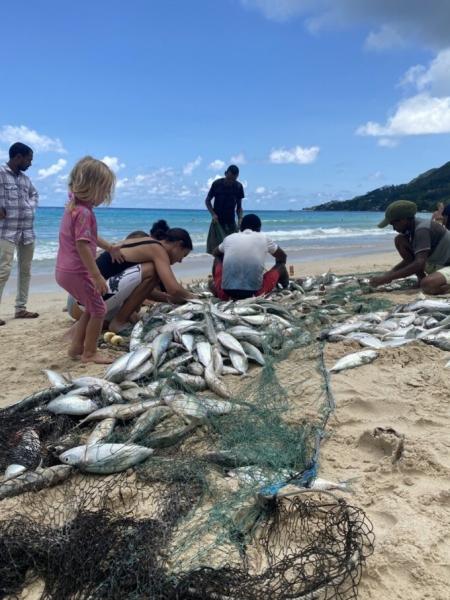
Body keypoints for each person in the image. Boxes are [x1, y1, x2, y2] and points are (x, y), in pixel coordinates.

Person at [55, 156, 123, 363]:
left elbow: (89, 237)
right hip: (77, 271)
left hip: (63, 271)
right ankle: (90, 352)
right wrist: (96, 275)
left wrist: (109, 247)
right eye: (104, 190)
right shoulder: (84, 213)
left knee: (90, 308)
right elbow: (82, 245)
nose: (106, 195)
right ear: (91, 187)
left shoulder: (73, 207)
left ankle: (76, 348)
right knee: (100, 310)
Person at [370, 200, 450, 295]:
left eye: (393, 224)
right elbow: (414, 259)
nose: (394, 228)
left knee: (428, 284)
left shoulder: (422, 229)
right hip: (435, 263)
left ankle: (430, 282)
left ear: (403, 220)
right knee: (399, 240)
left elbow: (419, 263)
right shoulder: (412, 229)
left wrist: (388, 278)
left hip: (446, 264)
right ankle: (421, 278)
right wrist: (390, 273)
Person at [0, 142, 39, 326]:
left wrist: (29, 208)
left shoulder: (25, 179)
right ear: (18, 157)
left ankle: (20, 308)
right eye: (29, 159)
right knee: (3, 271)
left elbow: (34, 195)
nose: (30, 163)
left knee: (26, 271)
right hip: (6, 231)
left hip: (27, 231)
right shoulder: (0, 174)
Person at [211, 213, 289, 300]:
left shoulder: (229, 238)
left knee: (217, 258)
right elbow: (282, 256)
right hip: (255, 295)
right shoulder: (264, 238)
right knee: (281, 266)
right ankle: (286, 287)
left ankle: (217, 286)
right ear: (259, 229)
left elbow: (215, 252)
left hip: (226, 294)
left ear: (240, 228)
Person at [205, 164, 244, 254]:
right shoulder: (217, 184)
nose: (230, 181)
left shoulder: (238, 187)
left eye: (233, 179)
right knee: (215, 250)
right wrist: (213, 214)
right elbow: (207, 201)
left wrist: (240, 220)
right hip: (217, 222)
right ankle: (217, 267)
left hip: (230, 222)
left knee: (231, 250)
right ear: (225, 173)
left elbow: (239, 207)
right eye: (229, 178)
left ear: (237, 177)